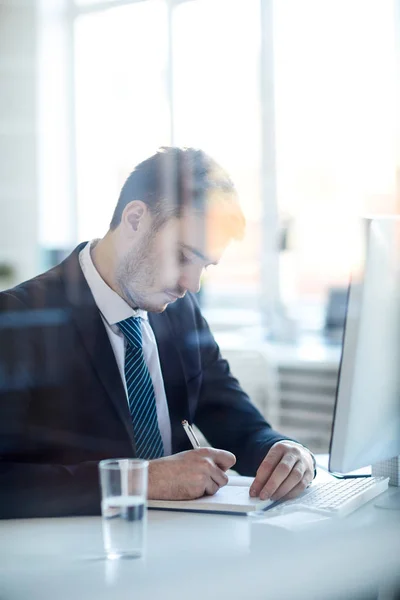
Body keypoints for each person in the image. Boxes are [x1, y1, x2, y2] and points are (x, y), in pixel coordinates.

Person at [0, 147, 315, 519]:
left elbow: (229, 411)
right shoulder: (17, 318)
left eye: (204, 266)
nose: (191, 284)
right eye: (183, 256)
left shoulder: (179, 310)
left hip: (177, 545)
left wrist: (283, 450)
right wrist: (139, 480)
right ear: (135, 219)